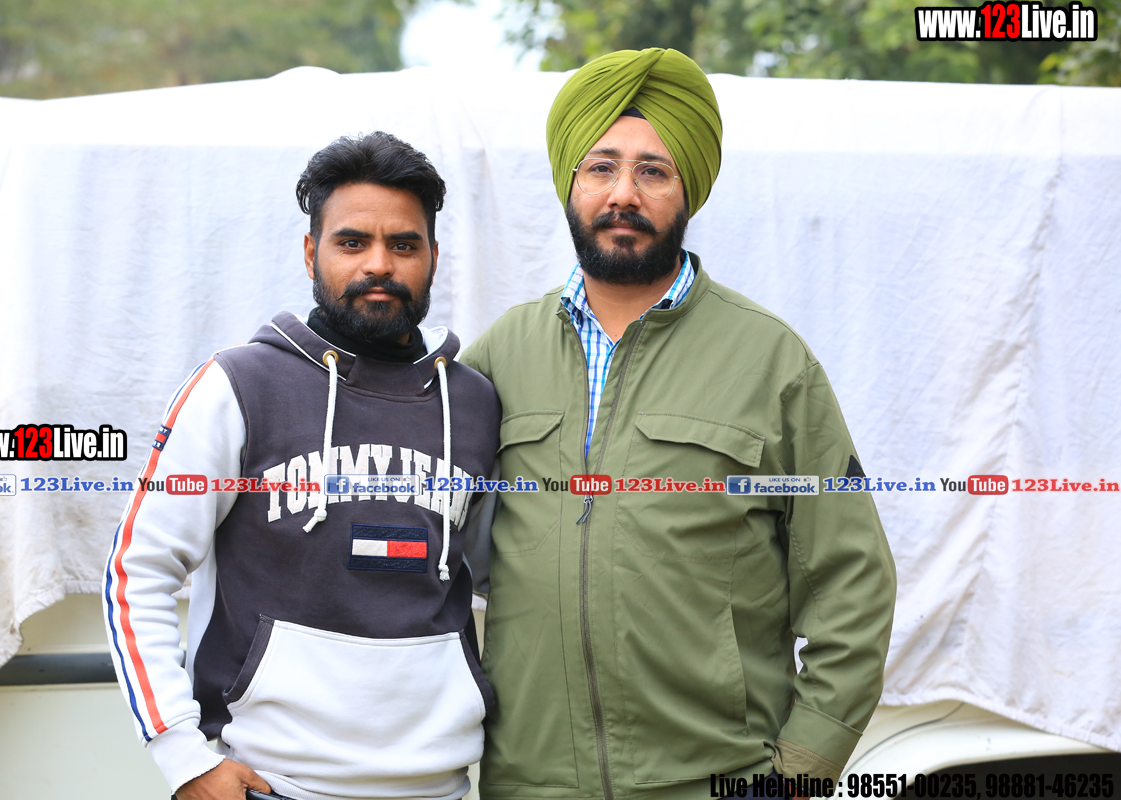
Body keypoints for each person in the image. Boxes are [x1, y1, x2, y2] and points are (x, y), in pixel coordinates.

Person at [459, 48, 896, 800]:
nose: (623, 193)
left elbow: (851, 584)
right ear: (569, 181)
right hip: (531, 783)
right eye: (601, 167)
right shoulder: (500, 356)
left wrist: (801, 775)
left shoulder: (770, 360)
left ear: (687, 188)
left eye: (652, 171)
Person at [103, 131, 500, 800]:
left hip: (439, 786)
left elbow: (502, 574)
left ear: (433, 256)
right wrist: (184, 757)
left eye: (404, 245)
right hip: (269, 782)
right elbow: (136, 570)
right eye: (353, 242)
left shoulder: (473, 402)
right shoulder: (238, 386)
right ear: (312, 252)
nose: (379, 264)